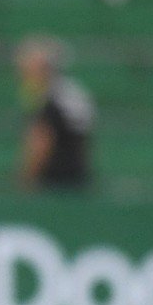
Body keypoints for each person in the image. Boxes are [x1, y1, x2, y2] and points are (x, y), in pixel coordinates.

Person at [15, 36, 96, 191]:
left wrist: (26, 179)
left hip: (55, 182)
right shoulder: (71, 91)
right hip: (78, 176)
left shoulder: (50, 98)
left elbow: (42, 141)